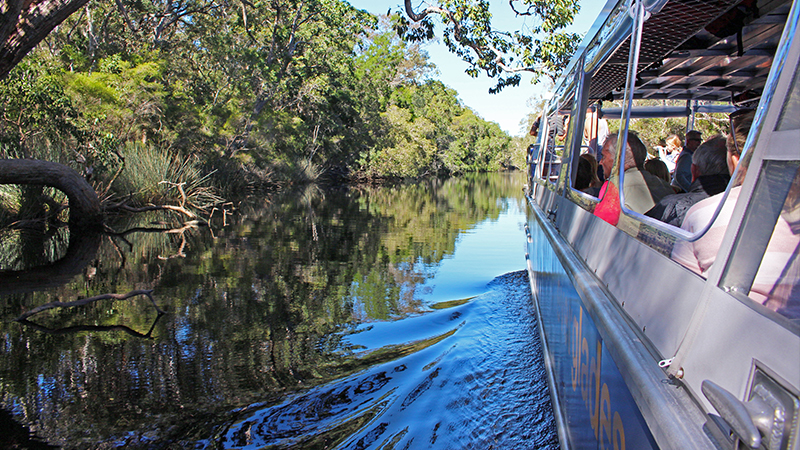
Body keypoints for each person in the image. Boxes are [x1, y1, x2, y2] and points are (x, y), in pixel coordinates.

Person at [645, 136, 730, 227]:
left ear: (694, 170)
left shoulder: (671, 207)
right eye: (696, 139)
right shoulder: (741, 205)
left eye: (698, 140)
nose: (697, 142)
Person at [599, 132, 675, 214]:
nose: (600, 162)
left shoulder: (614, 186)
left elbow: (601, 222)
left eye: (604, 156)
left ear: (619, 159)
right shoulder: (665, 186)